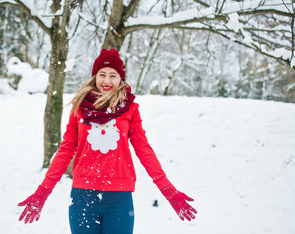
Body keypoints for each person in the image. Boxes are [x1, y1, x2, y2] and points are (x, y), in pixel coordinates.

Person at [18, 49, 197, 233]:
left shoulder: (130, 109)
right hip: (83, 198)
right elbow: (65, 150)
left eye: (113, 75)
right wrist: (42, 192)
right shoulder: (79, 108)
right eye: (102, 74)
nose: (106, 81)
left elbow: (144, 151)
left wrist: (169, 190)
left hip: (119, 200)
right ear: (95, 76)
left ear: (121, 79)